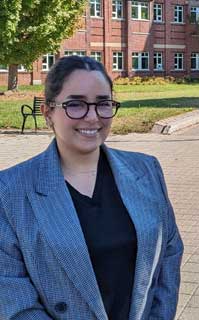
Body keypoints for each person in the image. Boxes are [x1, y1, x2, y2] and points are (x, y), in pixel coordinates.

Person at [0, 56, 183, 319]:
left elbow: (169, 251)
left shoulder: (146, 170)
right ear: (48, 111)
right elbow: (12, 295)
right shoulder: (10, 191)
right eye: (75, 104)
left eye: (102, 104)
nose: (92, 117)